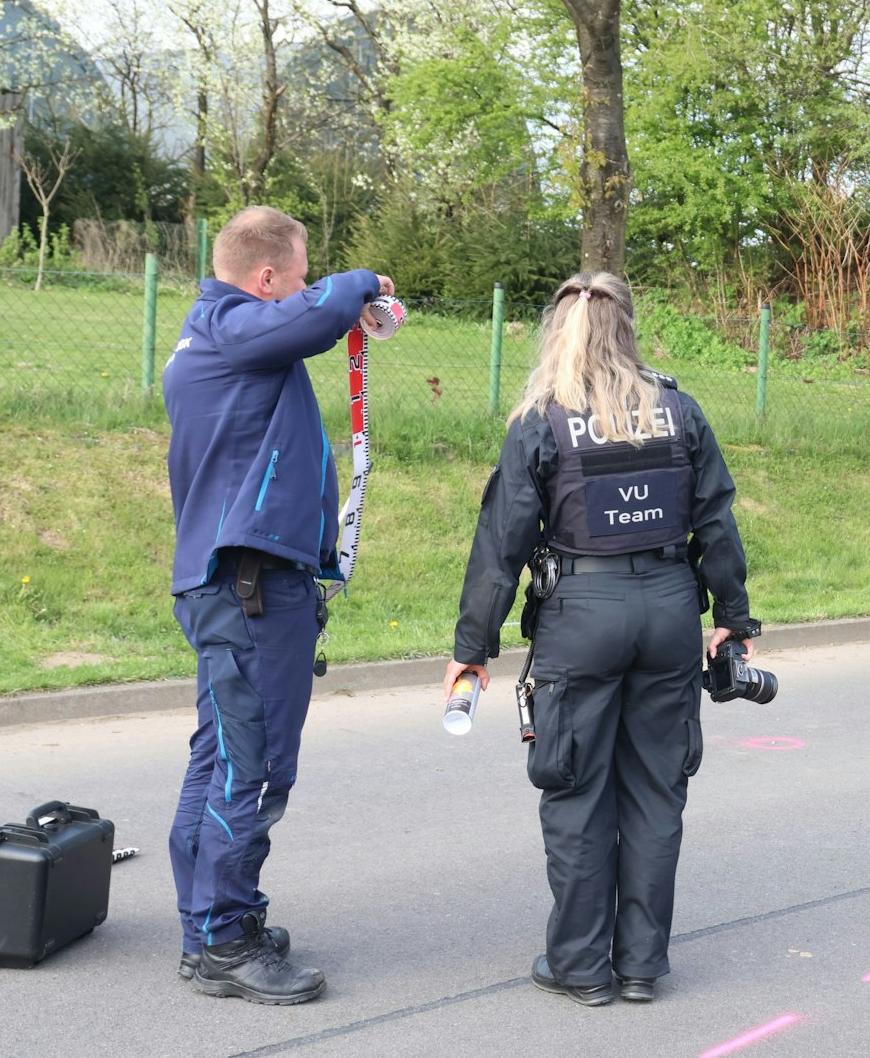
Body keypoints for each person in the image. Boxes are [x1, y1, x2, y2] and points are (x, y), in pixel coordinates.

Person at [446, 271, 758, 1006]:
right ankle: (641, 965)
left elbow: (503, 544)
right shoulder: (678, 411)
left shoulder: (542, 420)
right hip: (671, 611)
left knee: (577, 789)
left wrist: (472, 649)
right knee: (657, 790)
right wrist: (733, 624)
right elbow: (716, 520)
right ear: (629, 328)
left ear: (558, 332)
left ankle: (581, 967)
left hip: (581, 615)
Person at [163, 206, 392, 1004]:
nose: (305, 293)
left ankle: (209, 928)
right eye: (296, 278)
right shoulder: (233, 330)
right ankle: (225, 937)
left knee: (220, 756)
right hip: (253, 590)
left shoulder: (218, 337)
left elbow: (307, 321)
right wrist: (360, 285)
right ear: (266, 280)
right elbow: (321, 314)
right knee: (254, 766)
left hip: (235, 585)